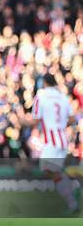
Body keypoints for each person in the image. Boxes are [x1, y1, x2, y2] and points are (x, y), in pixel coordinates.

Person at [32, 74, 80, 214]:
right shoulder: (63, 97)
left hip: (51, 141)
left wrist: (22, 122)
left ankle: (73, 190)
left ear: (44, 83)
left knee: (50, 170)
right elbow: (72, 119)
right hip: (62, 139)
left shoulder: (41, 96)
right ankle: (73, 196)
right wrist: (60, 124)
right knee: (55, 171)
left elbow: (36, 120)